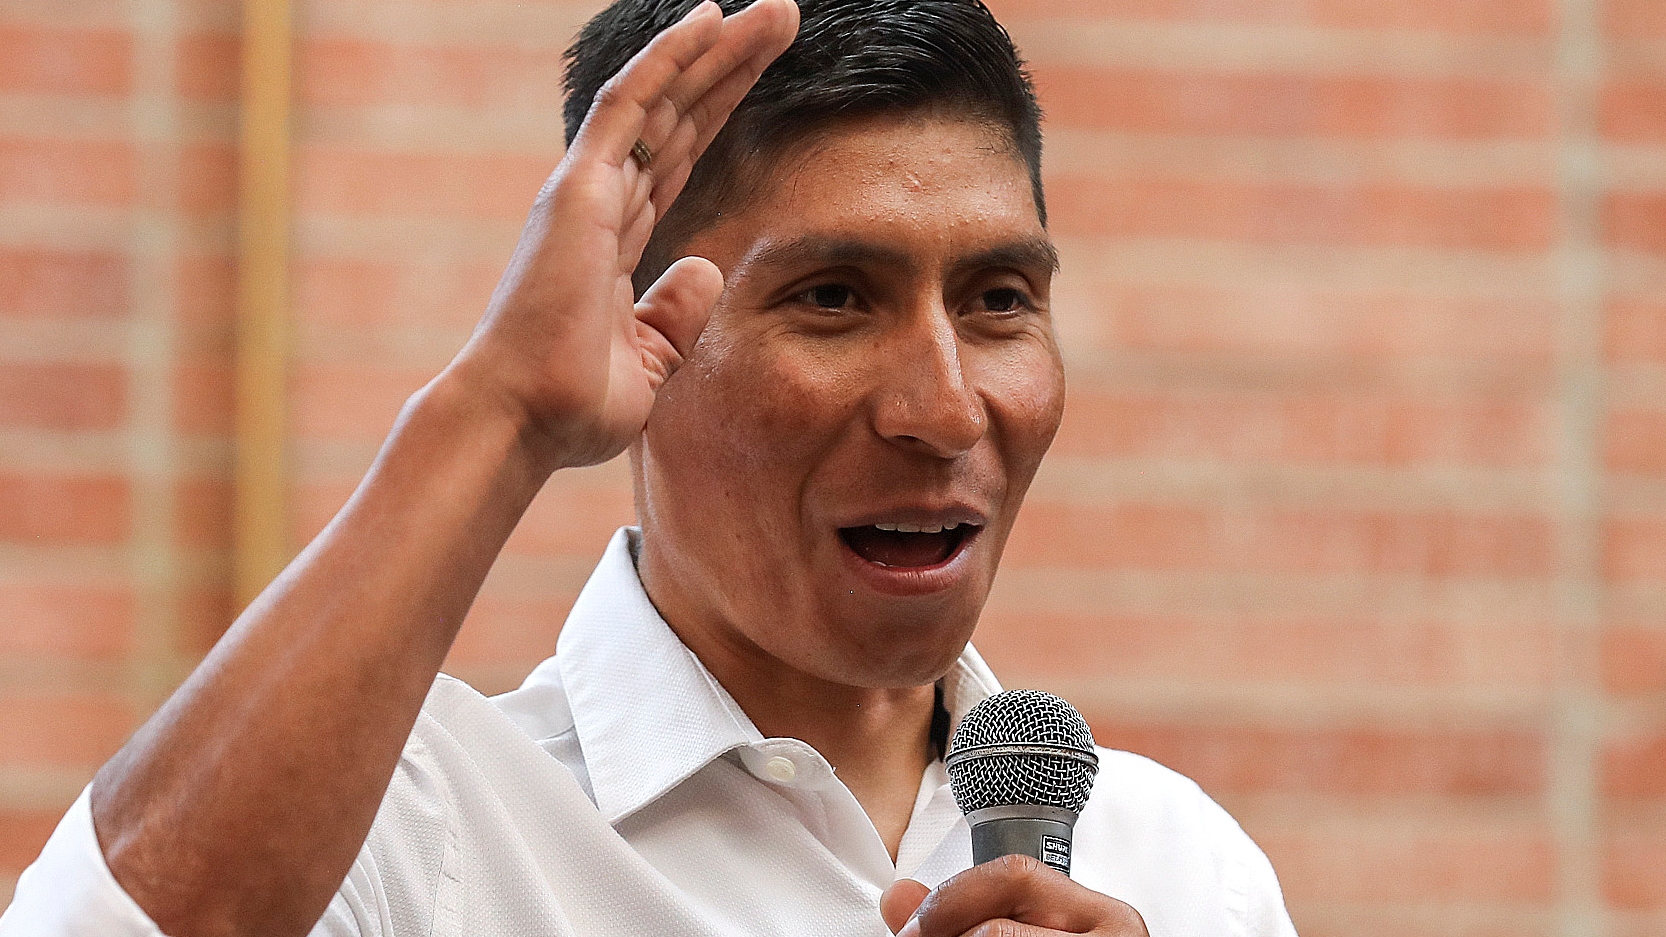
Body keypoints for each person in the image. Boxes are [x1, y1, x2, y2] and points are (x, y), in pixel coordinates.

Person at [1, 1, 1299, 934]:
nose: (943, 407)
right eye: (835, 297)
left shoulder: (1181, 869)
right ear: (643, 332)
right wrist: (498, 410)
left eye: (999, 297)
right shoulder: (419, 825)